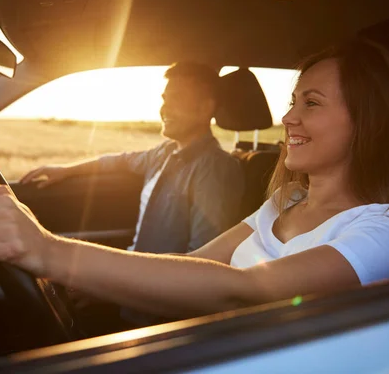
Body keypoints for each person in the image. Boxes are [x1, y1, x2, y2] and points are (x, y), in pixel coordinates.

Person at [0, 38, 389, 322]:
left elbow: (243, 288)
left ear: (368, 122)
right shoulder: (287, 200)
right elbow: (197, 262)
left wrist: (50, 251)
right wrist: (88, 277)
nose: (288, 117)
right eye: (293, 100)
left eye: (310, 103)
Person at [19, 62, 245, 254]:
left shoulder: (216, 170)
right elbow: (120, 161)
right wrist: (67, 170)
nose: (164, 108)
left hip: (162, 300)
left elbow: (202, 261)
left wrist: (111, 284)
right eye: (165, 98)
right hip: (138, 284)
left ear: (205, 108)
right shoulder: (163, 153)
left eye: (177, 99)